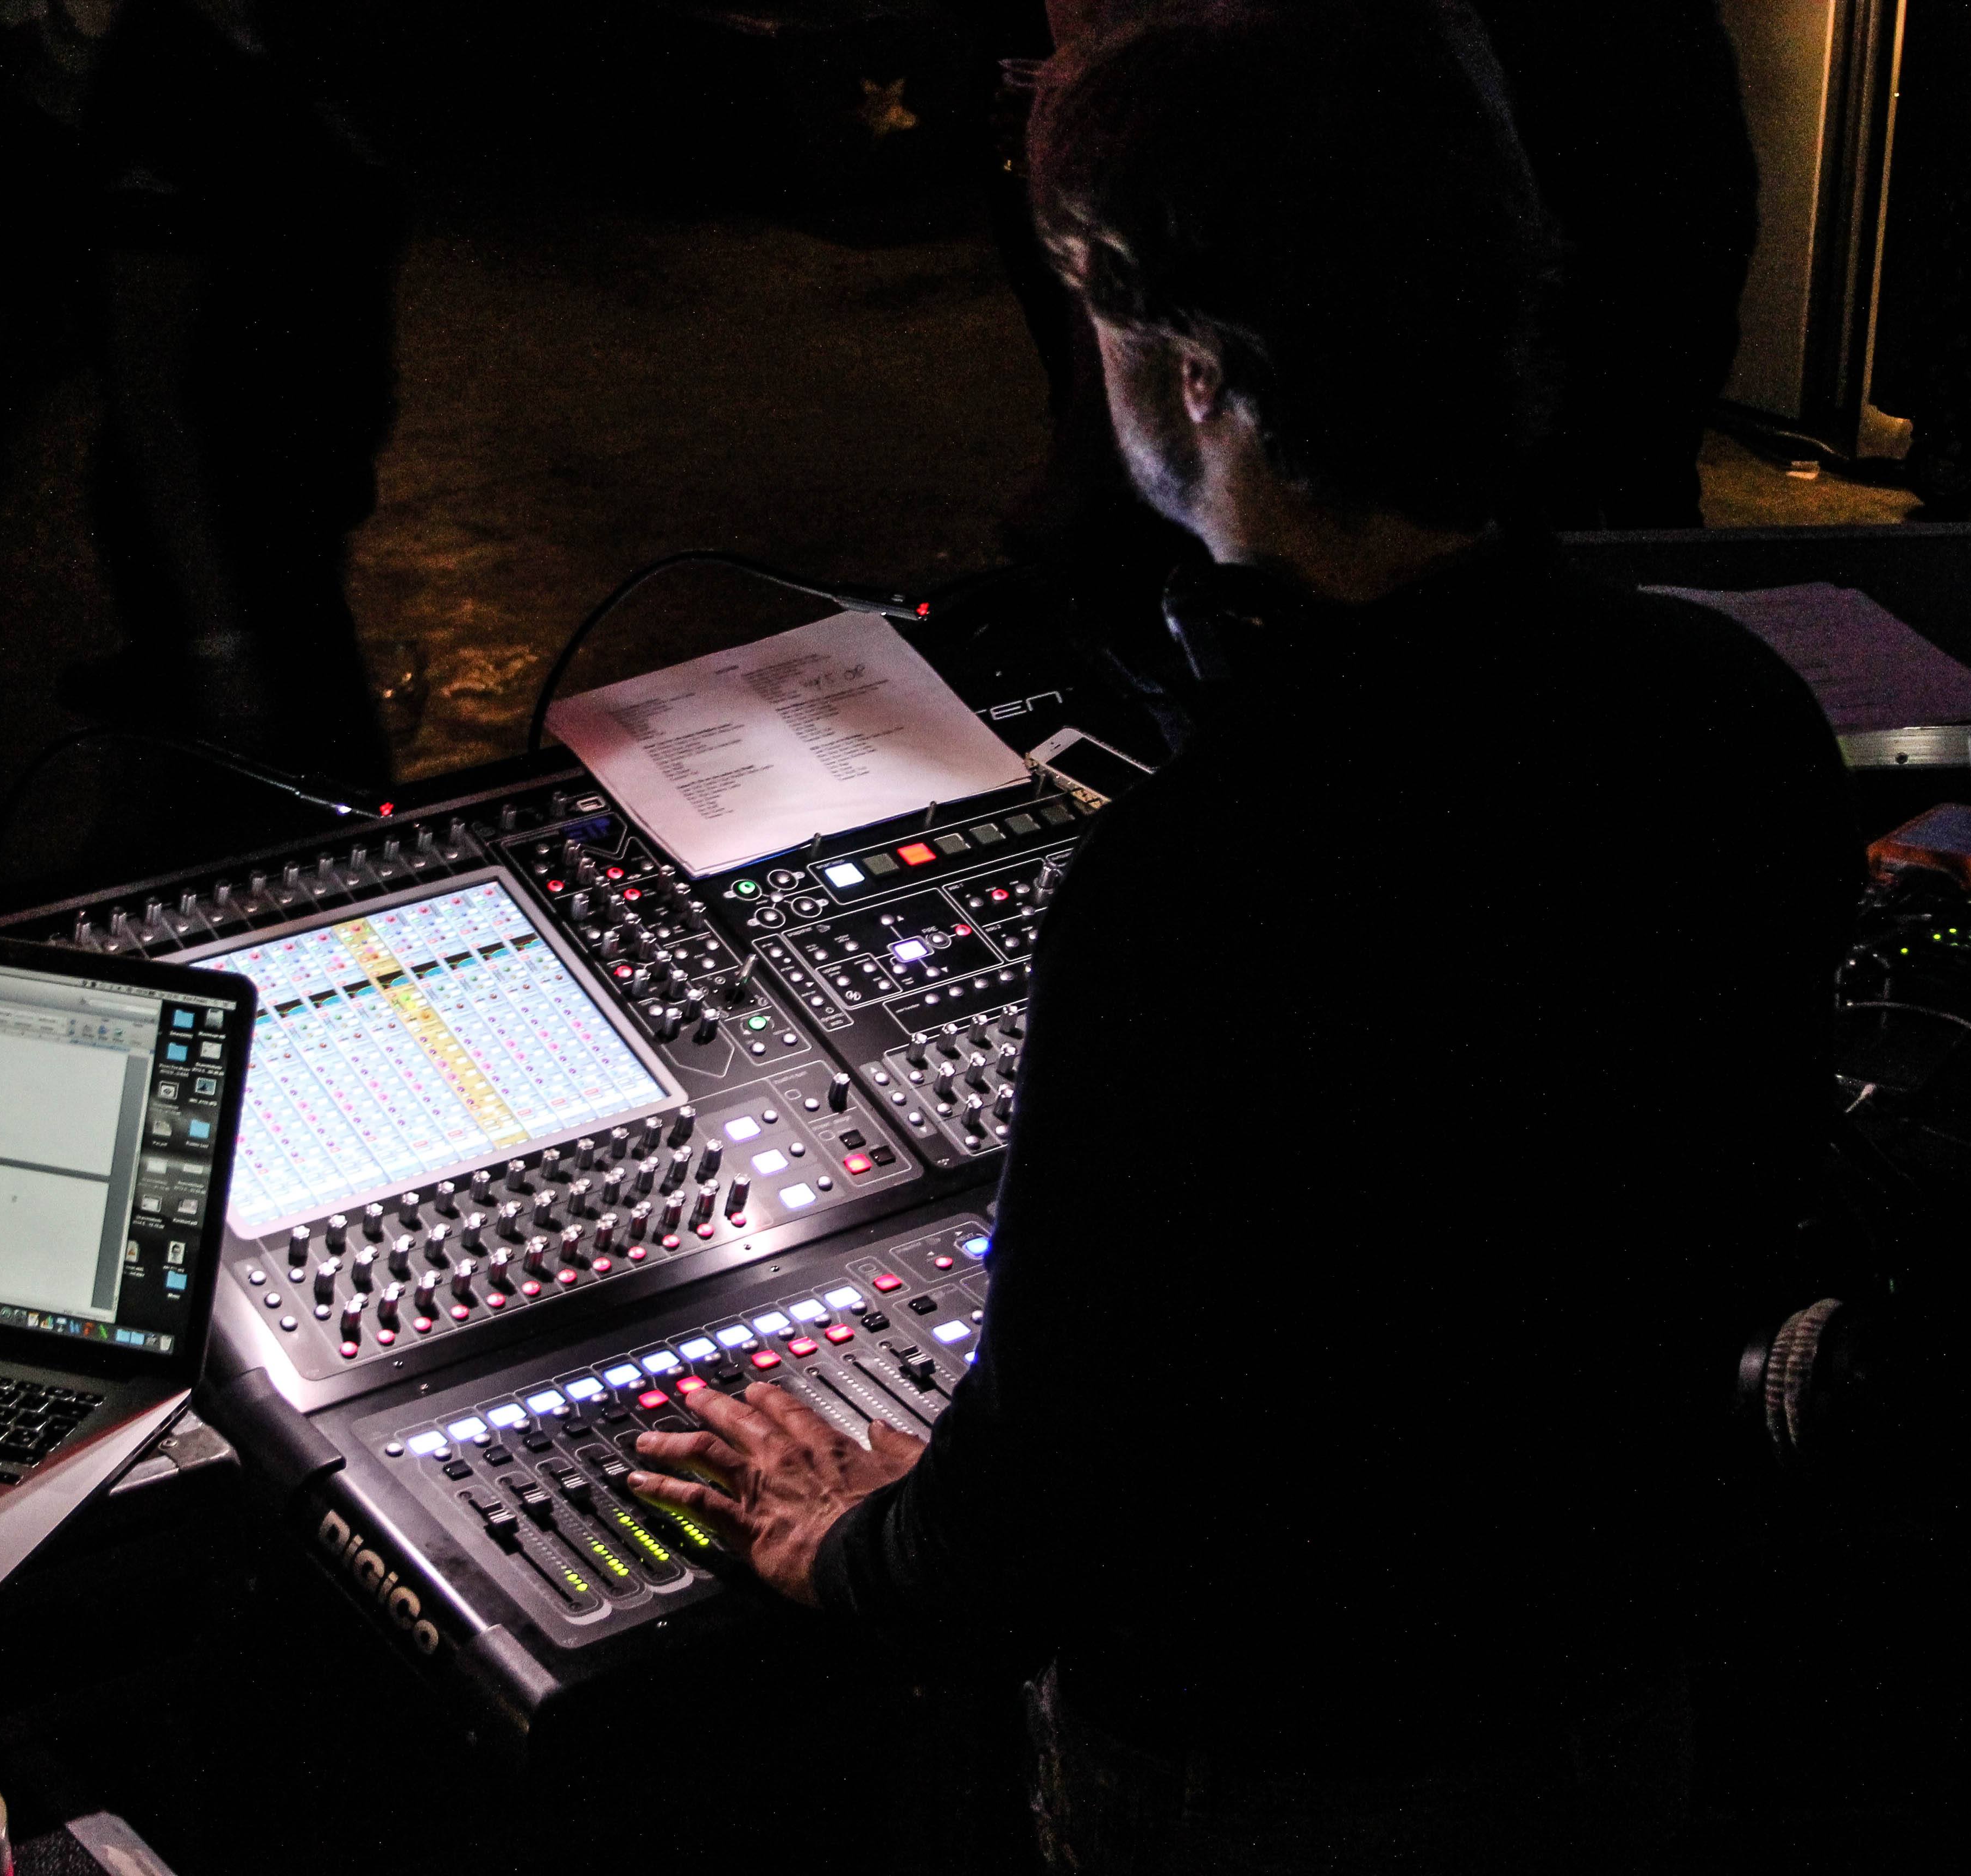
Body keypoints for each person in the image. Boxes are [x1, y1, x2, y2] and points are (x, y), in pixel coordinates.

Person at [629, 5, 1859, 1869]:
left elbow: (1030, 1536)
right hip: (1620, 1698)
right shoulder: (1728, 709)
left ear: (1196, 374)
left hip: (1281, 1775)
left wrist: (852, 1538)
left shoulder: (1204, 885)